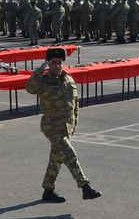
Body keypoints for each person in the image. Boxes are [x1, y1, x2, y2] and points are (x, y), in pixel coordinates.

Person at [25, 47, 102, 203]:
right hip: (52, 126)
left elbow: (75, 103)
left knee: (56, 158)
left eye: (59, 62)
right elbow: (30, 88)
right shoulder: (44, 81)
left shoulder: (68, 79)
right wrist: (39, 71)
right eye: (53, 62)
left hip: (67, 126)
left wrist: (75, 122)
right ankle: (85, 187)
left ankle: (48, 191)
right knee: (69, 154)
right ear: (48, 64)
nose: (57, 65)